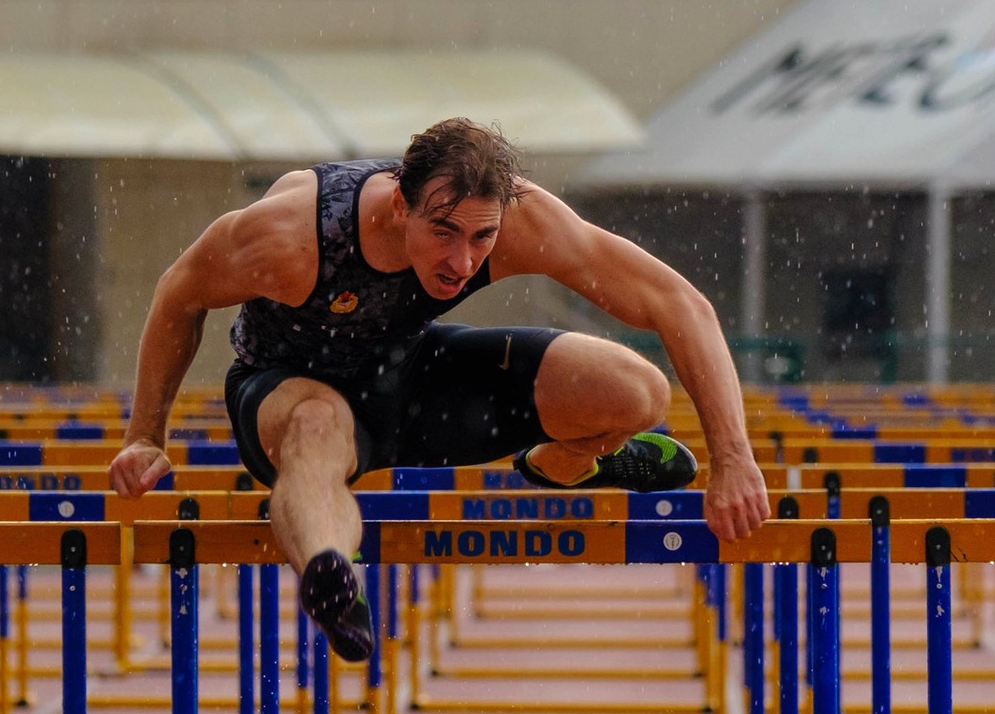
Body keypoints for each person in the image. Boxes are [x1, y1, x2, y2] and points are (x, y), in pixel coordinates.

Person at [105, 117, 771, 660]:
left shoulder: (519, 222)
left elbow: (678, 303)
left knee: (637, 391)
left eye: (482, 239)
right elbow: (177, 295)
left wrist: (733, 457)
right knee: (317, 425)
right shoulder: (291, 238)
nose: (461, 261)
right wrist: (145, 435)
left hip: (411, 377)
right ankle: (331, 576)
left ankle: (567, 464)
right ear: (401, 203)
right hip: (289, 389)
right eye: (443, 233)